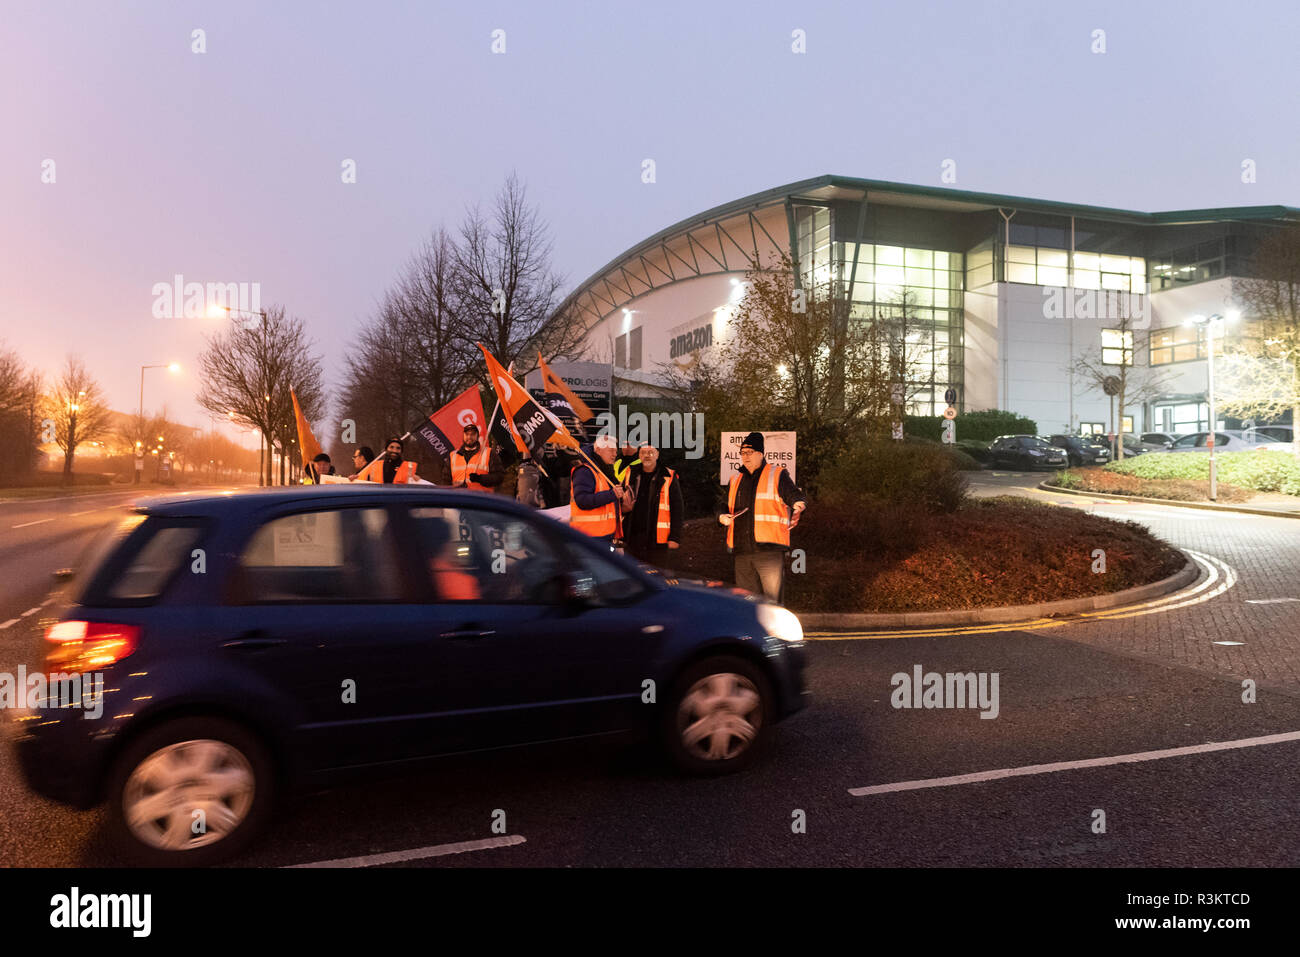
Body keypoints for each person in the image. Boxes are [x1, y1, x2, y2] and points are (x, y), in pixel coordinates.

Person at [718, 431, 807, 602]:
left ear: (760, 454)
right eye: (742, 453)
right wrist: (721, 516)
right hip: (742, 550)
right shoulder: (735, 479)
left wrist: (798, 506)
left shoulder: (777, 474)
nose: (745, 456)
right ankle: (752, 630)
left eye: (749, 452)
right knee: (747, 603)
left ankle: (775, 630)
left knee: (772, 602)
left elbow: (794, 495)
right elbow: (722, 506)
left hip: (769, 552)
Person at [624, 444, 683, 568]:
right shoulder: (630, 473)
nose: (647, 455)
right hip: (633, 538)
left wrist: (675, 537)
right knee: (633, 578)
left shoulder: (668, 476)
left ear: (657, 455)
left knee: (657, 579)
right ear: (639, 455)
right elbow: (622, 502)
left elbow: (677, 508)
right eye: (643, 452)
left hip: (657, 541)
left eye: (651, 452)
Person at [569, 433, 632, 544]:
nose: (615, 454)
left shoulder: (603, 472)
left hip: (603, 537)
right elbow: (582, 501)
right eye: (611, 450)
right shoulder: (585, 471)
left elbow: (606, 507)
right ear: (598, 450)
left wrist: (623, 508)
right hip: (588, 538)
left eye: (616, 451)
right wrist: (612, 494)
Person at [448, 424, 503, 493]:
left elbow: (499, 477)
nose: (469, 437)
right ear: (463, 435)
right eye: (467, 434)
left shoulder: (489, 453)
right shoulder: (453, 455)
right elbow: (446, 480)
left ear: (477, 436)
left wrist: (480, 478)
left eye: (472, 434)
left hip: (480, 500)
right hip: (458, 499)